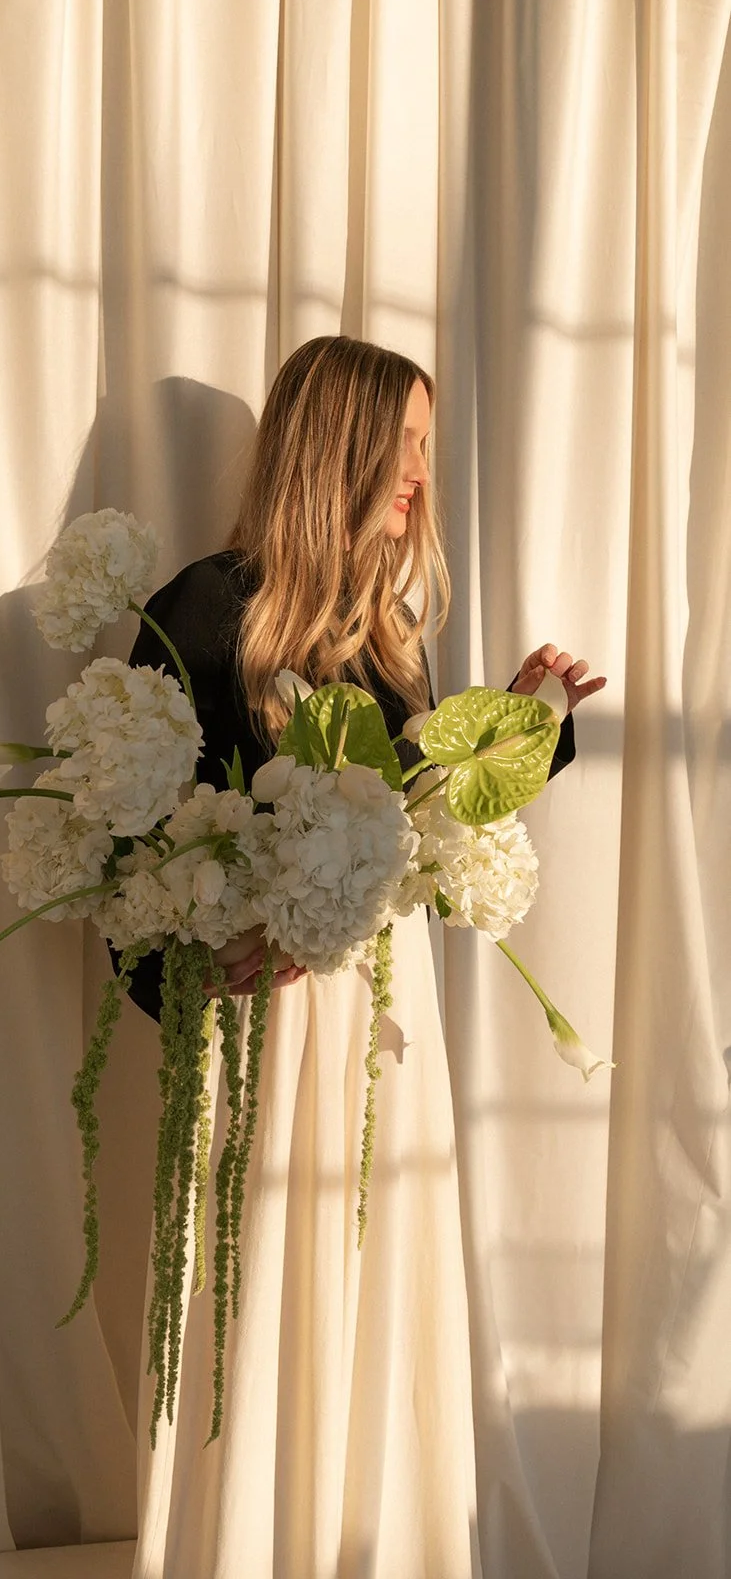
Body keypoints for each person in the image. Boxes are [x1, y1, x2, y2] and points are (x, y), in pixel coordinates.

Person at [124, 336, 605, 1579]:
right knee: (256, 1290)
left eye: (424, 451)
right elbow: (127, 850)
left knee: (371, 1278)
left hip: (380, 1031)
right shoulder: (200, 611)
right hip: (258, 1033)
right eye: (398, 447)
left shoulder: (387, 638)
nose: (416, 478)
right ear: (328, 448)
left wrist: (517, 723)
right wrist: (206, 966)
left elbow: (419, 839)